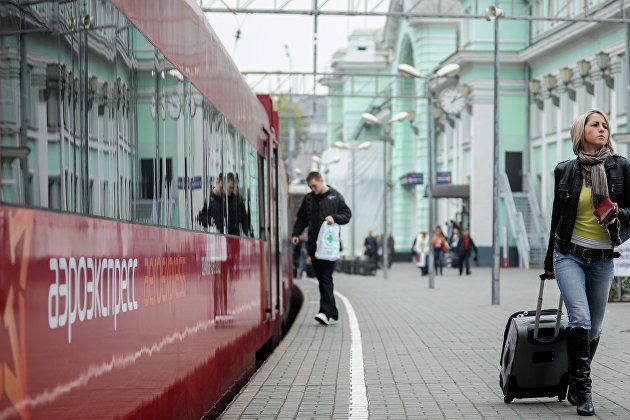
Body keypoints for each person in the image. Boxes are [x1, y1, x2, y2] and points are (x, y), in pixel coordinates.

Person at [544, 109, 630, 416]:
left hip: (603, 257)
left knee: (595, 329)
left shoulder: (620, 167)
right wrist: (549, 260)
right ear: (581, 132)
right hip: (568, 254)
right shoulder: (565, 170)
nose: (602, 129)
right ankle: (584, 392)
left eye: (605, 125)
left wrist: (620, 211)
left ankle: (572, 381)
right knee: (580, 319)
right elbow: (557, 216)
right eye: (595, 124)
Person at [292, 171, 352, 326]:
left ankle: (325, 312)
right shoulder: (309, 199)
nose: (313, 189)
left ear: (321, 180)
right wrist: (296, 234)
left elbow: (347, 214)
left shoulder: (335, 196)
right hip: (314, 245)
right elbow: (301, 219)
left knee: (325, 278)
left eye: (315, 186)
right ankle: (333, 314)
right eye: (310, 187)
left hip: (329, 246)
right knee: (322, 279)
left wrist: (335, 218)